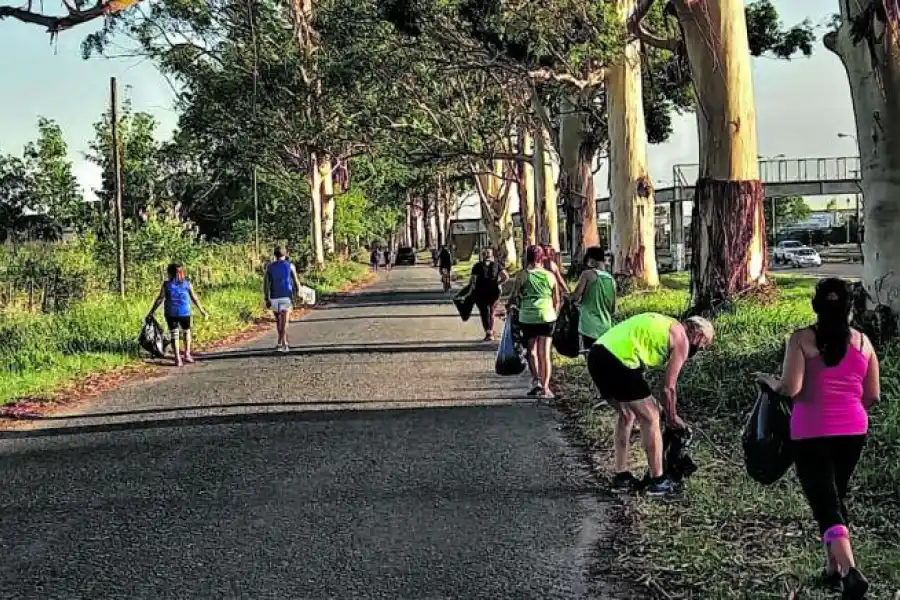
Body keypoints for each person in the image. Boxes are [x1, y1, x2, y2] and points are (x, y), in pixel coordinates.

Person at [756, 278, 879, 599]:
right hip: (854, 430)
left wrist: (770, 381)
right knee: (834, 495)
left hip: (811, 431)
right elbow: (873, 395)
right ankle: (832, 568)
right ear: (850, 308)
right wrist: (848, 411)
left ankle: (850, 571)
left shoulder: (800, 339)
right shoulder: (864, 343)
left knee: (825, 501)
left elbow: (791, 388)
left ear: (816, 306)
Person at [587, 312, 715, 496]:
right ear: (698, 335)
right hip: (619, 361)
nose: (700, 350)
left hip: (597, 355)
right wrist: (672, 417)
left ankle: (621, 477)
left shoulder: (665, 324)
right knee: (651, 417)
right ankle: (658, 481)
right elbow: (668, 388)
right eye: (703, 345)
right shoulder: (682, 339)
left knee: (627, 415)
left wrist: (665, 409)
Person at [508, 245, 560, 399]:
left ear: (527, 258)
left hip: (528, 318)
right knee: (545, 353)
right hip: (547, 317)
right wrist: (554, 313)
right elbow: (556, 299)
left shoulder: (522, 275)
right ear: (542, 258)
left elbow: (514, 296)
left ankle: (537, 380)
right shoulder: (550, 276)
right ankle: (546, 388)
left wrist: (511, 305)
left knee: (531, 350)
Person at [146, 263, 209, 367]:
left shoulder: (166, 284)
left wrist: (151, 311)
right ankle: (187, 354)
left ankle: (177, 359)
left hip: (171, 313)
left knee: (174, 334)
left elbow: (160, 299)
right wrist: (202, 311)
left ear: (170, 273)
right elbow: (194, 298)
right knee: (187, 332)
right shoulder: (187, 283)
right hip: (185, 312)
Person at [572, 246, 616, 348]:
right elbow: (613, 309)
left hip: (588, 327)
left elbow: (575, 296)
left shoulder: (587, 275)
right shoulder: (611, 280)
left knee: (589, 354)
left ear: (591, 260)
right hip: (605, 327)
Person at [464, 247, 510, 341]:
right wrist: (498, 283)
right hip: (491, 291)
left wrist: (470, 291)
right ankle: (490, 331)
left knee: (485, 311)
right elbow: (505, 277)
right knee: (490, 311)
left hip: (484, 292)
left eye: (486, 253)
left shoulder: (478, 266)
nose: (486, 255)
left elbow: (473, 280)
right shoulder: (495, 265)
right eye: (486, 253)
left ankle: (489, 332)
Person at [264, 245, 303, 352]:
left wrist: (266, 298)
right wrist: (299, 292)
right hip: (286, 295)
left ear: (274, 255)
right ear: (286, 254)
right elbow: (296, 281)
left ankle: (281, 343)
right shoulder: (290, 266)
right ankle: (283, 343)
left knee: (278, 321)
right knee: (284, 322)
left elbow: (266, 284)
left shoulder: (269, 267)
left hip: (274, 296)